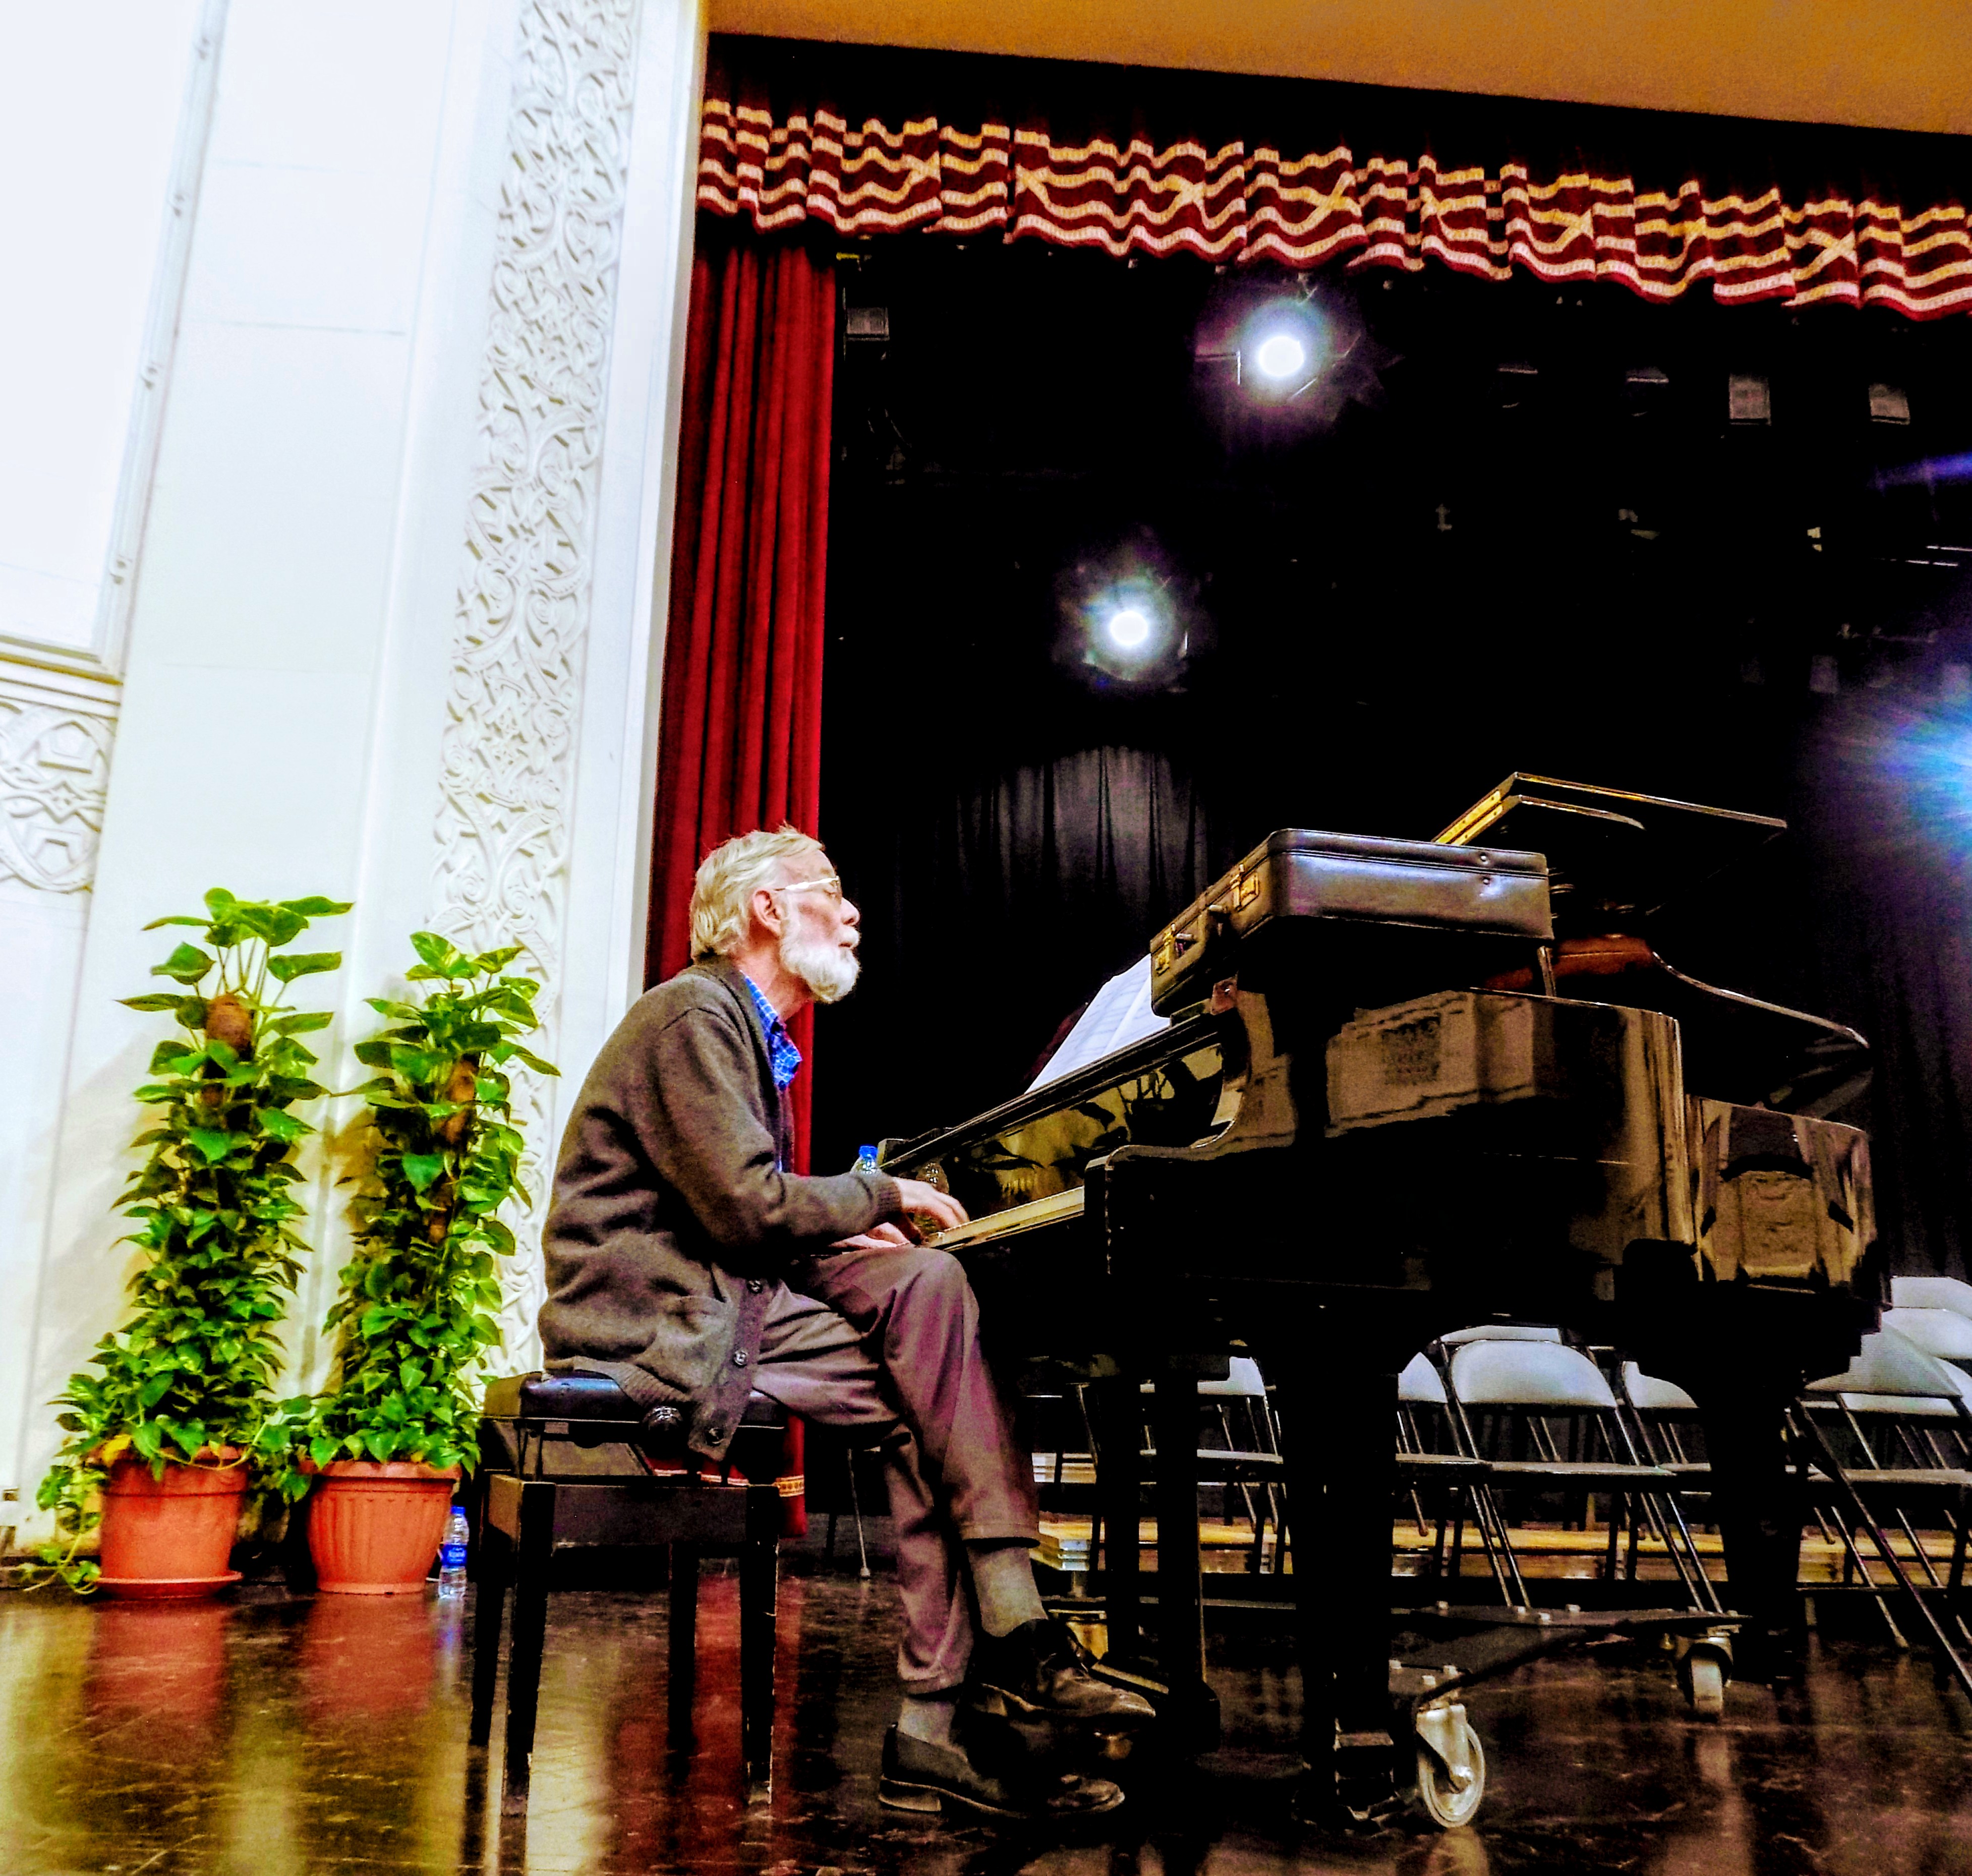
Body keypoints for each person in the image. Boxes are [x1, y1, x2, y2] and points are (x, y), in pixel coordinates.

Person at [539, 826, 1153, 1819]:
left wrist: (847, 1230)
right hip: (655, 1316)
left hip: (716, 1293)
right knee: (932, 1379)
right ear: (766, 910)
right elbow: (745, 1208)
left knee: (927, 1299)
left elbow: (743, 1208)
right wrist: (879, 1194)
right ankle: (981, 1676)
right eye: (828, 889)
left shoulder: (735, 1030)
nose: (853, 911)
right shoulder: (691, 1016)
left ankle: (960, 1704)